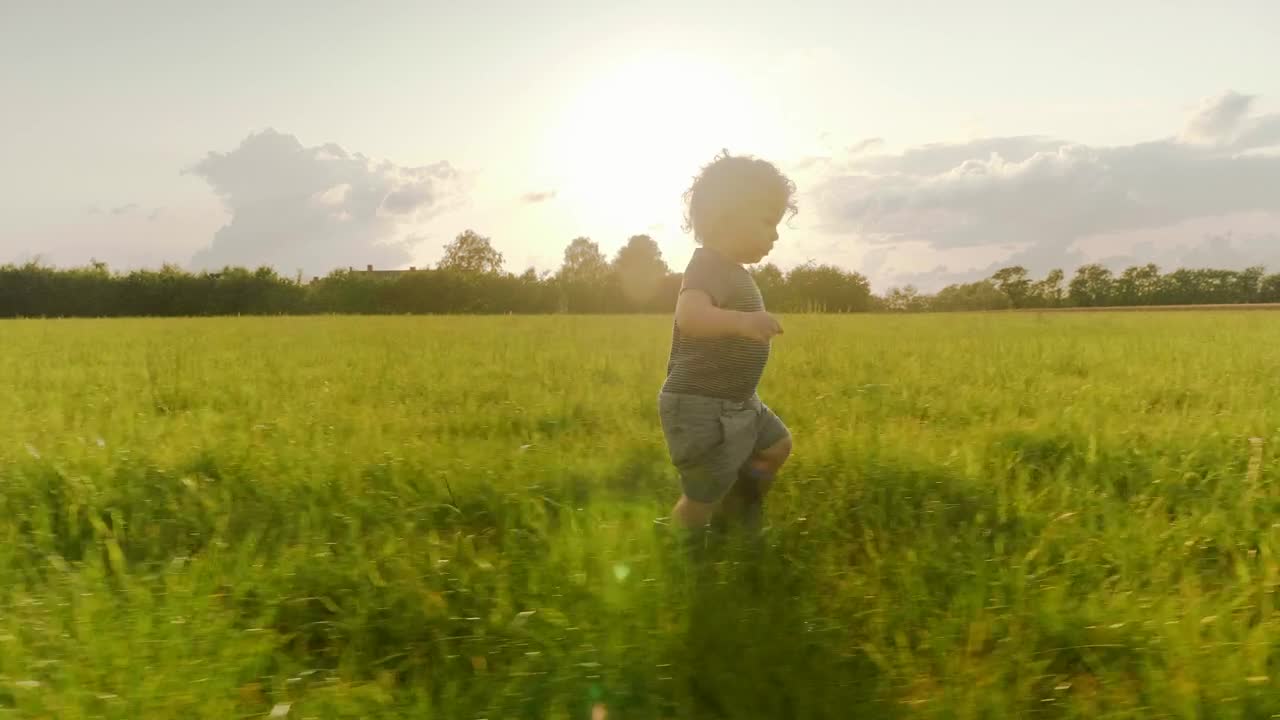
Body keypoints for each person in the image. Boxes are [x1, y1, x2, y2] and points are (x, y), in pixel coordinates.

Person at [657, 150, 796, 554]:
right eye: (768, 222)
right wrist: (741, 322)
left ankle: (737, 515)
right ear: (727, 215)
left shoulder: (733, 271)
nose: (775, 235)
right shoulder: (707, 266)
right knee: (704, 492)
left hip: (737, 402)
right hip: (702, 405)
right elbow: (690, 315)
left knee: (775, 446)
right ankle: (678, 549)